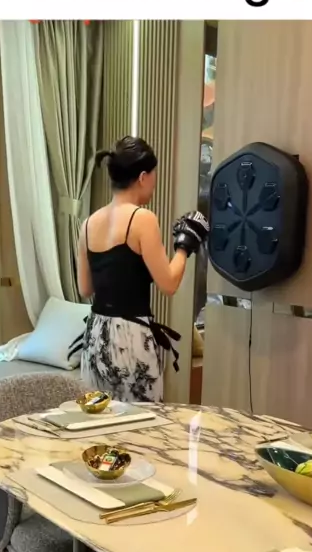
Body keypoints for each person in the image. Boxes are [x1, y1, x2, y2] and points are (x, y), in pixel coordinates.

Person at [71, 135, 209, 403]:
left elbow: (85, 288)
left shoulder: (88, 224)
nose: (155, 183)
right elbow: (168, 284)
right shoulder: (142, 219)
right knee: (141, 422)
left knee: (98, 419)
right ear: (143, 177)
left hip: (96, 335)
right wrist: (184, 246)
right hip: (131, 337)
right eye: (154, 175)